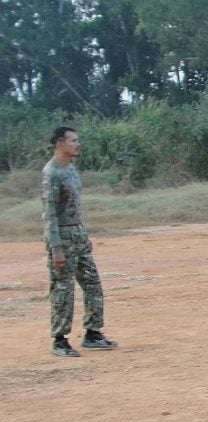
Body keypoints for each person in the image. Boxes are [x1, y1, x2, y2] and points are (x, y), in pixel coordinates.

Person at [42, 127, 117, 357]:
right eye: (73, 141)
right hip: (61, 237)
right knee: (63, 289)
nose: (78, 144)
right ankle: (59, 339)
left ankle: (93, 333)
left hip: (78, 234)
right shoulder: (52, 173)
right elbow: (50, 214)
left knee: (92, 283)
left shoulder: (71, 169)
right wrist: (55, 248)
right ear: (60, 143)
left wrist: (84, 235)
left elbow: (75, 207)